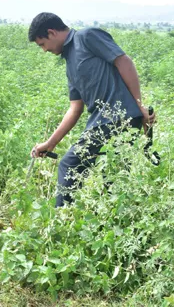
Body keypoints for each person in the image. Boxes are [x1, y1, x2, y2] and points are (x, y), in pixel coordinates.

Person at [28, 12, 155, 207]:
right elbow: (75, 108)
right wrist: (50, 143)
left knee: (69, 165)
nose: (44, 50)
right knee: (113, 178)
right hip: (104, 123)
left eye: (42, 44)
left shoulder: (87, 37)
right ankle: (115, 224)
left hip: (116, 118)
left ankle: (61, 221)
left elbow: (124, 62)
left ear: (51, 33)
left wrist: (140, 106)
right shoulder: (69, 63)